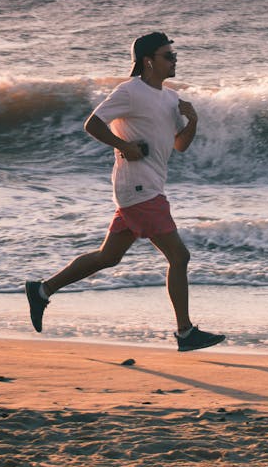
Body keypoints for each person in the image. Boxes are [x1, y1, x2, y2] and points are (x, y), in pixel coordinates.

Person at [25, 31, 225, 352]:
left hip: (147, 186)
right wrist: (124, 146)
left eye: (174, 55)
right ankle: (185, 332)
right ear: (148, 61)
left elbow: (180, 145)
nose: (175, 60)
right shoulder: (130, 91)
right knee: (179, 255)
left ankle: (42, 290)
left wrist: (193, 121)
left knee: (109, 257)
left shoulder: (171, 98)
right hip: (138, 186)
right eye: (168, 56)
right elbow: (93, 123)